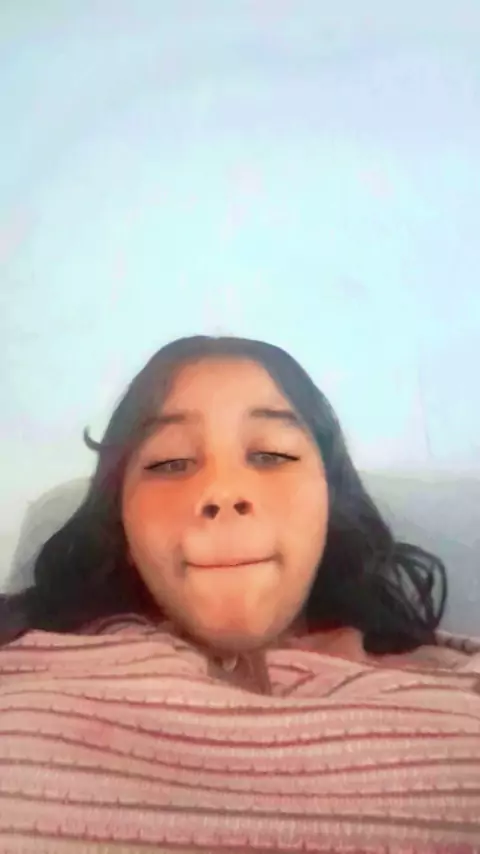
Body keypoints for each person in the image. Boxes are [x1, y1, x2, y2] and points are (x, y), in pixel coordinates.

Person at [0, 334, 479, 853]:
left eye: (271, 454)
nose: (223, 491)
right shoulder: (26, 659)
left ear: (329, 505)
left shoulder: (456, 684)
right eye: (170, 462)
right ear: (122, 528)